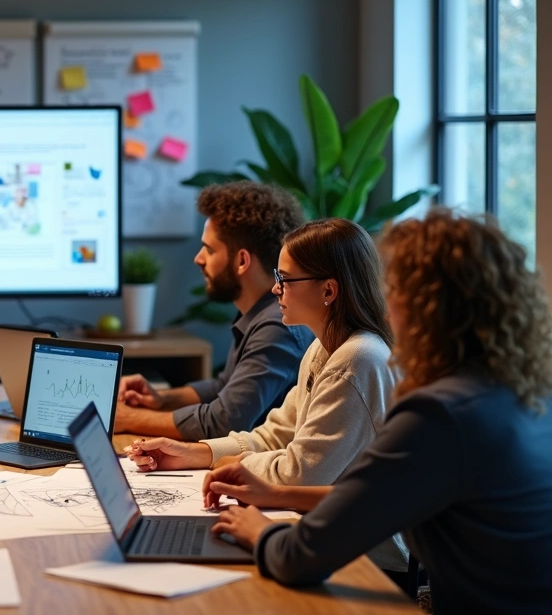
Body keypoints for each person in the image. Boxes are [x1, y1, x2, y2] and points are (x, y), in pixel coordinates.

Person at [207, 209, 552, 613]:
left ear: (426, 309)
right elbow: (372, 497)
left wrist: (259, 531)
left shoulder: (439, 415)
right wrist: (276, 493)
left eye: (396, 291)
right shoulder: (522, 395)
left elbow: (300, 556)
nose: (386, 309)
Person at [126, 218, 407, 573]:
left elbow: (301, 475)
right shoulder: (325, 349)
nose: (276, 289)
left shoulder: (356, 360)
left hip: (369, 562)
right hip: (327, 537)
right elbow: (276, 434)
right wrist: (197, 454)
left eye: (285, 279)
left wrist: (235, 466)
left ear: (328, 290)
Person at [114, 181, 313, 439]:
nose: (198, 258)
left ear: (242, 261)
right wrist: (162, 399)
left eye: (209, 249)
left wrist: (128, 418)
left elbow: (224, 421)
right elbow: (224, 386)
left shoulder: (278, 327)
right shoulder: (260, 314)